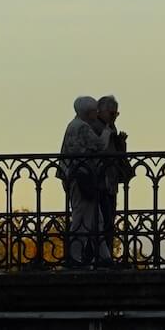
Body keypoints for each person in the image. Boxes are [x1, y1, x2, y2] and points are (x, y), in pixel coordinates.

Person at [59, 95, 106, 268]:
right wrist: (107, 131)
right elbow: (100, 145)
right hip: (83, 176)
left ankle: (104, 256)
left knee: (95, 217)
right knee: (83, 217)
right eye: (95, 111)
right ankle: (74, 256)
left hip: (73, 175)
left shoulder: (72, 125)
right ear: (88, 112)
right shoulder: (83, 127)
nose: (97, 114)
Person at [94, 95, 131, 265]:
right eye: (112, 113)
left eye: (117, 114)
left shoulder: (110, 127)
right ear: (100, 111)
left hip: (110, 181)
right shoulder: (96, 127)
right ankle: (101, 257)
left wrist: (121, 144)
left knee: (108, 221)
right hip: (101, 182)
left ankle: (105, 256)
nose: (115, 116)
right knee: (102, 220)